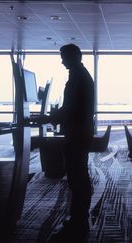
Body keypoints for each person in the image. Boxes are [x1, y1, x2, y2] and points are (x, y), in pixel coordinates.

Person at [31, 44, 94, 243]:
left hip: (76, 134)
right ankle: (79, 220)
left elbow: (70, 109)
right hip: (80, 133)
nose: (62, 61)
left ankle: (79, 224)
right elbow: (71, 108)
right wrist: (52, 117)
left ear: (74, 56)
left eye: (64, 56)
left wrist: (46, 118)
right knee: (79, 177)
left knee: (78, 178)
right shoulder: (80, 75)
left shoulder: (77, 77)